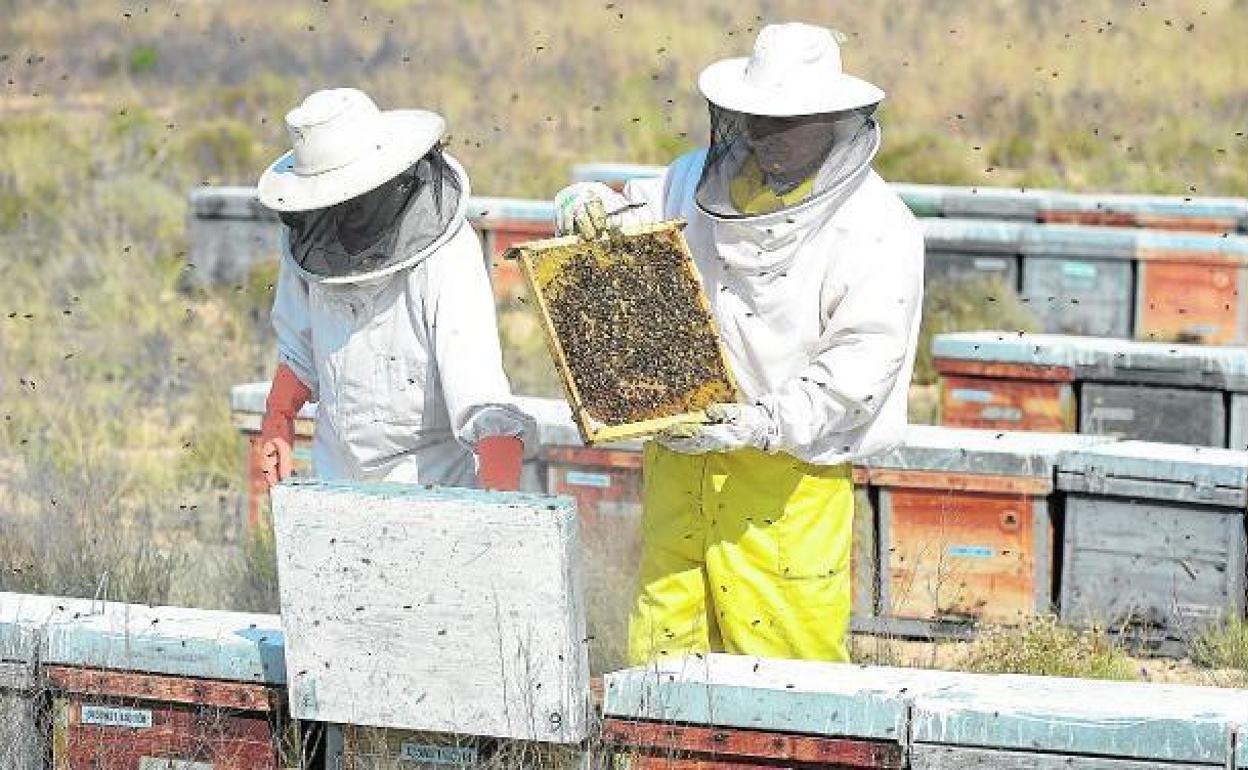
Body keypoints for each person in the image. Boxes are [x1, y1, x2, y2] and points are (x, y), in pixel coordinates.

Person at [554, 23, 924, 664]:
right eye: (753, 118)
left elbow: (857, 373)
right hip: (679, 461)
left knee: (786, 682)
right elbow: (633, 221)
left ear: (834, 119)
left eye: (785, 123)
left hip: (789, 484)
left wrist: (754, 423)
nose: (761, 137)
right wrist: (591, 204)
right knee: (663, 666)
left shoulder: (877, 227)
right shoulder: (692, 178)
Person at [254, 87, 534, 491]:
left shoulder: (444, 254)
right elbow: (299, 348)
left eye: (346, 204)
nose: (336, 218)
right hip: (336, 481)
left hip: (431, 491)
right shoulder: (312, 240)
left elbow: (480, 391)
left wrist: (500, 506)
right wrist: (278, 415)